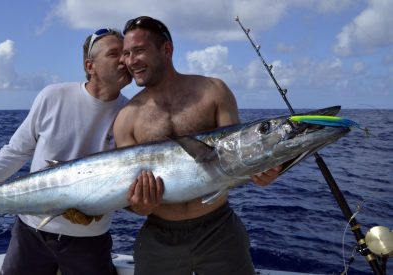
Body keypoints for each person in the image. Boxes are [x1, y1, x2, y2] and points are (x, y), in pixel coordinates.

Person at [0, 28, 131, 275]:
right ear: (90, 65)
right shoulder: (53, 96)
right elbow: (17, 150)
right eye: (114, 53)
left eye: (125, 53)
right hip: (31, 233)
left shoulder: (132, 113)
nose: (124, 60)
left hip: (90, 239)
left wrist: (97, 209)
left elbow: (124, 177)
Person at [113, 16, 282, 275]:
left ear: (166, 50)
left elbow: (238, 159)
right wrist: (139, 206)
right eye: (126, 54)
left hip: (219, 229)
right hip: (159, 235)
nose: (130, 61)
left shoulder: (214, 91)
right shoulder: (126, 118)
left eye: (139, 51)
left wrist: (261, 172)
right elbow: (129, 194)